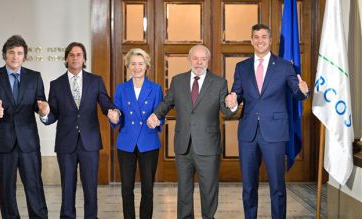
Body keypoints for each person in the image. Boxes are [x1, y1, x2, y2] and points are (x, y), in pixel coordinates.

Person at [225, 24, 309, 219]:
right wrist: (232, 101)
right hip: (248, 133)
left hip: (275, 132)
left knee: (278, 186)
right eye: (256, 37)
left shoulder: (284, 66)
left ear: (270, 41)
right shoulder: (242, 67)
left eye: (264, 37)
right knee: (248, 187)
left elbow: (296, 92)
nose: (260, 40)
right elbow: (236, 93)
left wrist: (303, 91)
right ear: (251, 40)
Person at [147, 45, 234, 219]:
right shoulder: (177, 81)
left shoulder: (219, 83)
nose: (199, 62)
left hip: (208, 147)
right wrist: (156, 115)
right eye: (195, 58)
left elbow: (226, 111)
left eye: (203, 59)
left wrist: (232, 104)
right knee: (184, 191)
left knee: (209, 190)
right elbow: (167, 102)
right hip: (183, 146)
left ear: (208, 61)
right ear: (189, 59)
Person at [42, 42, 118, 219]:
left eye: (79, 55)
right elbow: (53, 114)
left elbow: (105, 102)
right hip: (65, 144)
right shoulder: (56, 84)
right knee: (67, 186)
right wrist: (45, 114)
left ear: (84, 59)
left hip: (89, 143)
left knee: (90, 187)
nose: (75, 58)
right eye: (72, 55)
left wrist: (112, 112)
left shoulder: (96, 80)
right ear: (66, 58)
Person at [0, 35, 49, 218]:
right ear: (4, 55)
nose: (15, 56)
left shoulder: (34, 77)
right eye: (11, 52)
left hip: (28, 143)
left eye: (19, 53)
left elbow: (39, 103)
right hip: (2, 143)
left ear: (24, 56)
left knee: (34, 187)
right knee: (6, 191)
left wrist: (43, 110)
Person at [110, 48, 164, 219]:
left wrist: (157, 120)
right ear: (128, 66)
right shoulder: (121, 89)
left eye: (140, 64)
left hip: (148, 143)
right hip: (126, 143)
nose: (137, 67)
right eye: (133, 64)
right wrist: (114, 115)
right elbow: (117, 111)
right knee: (127, 188)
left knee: (148, 188)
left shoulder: (155, 88)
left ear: (146, 66)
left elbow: (160, 113)